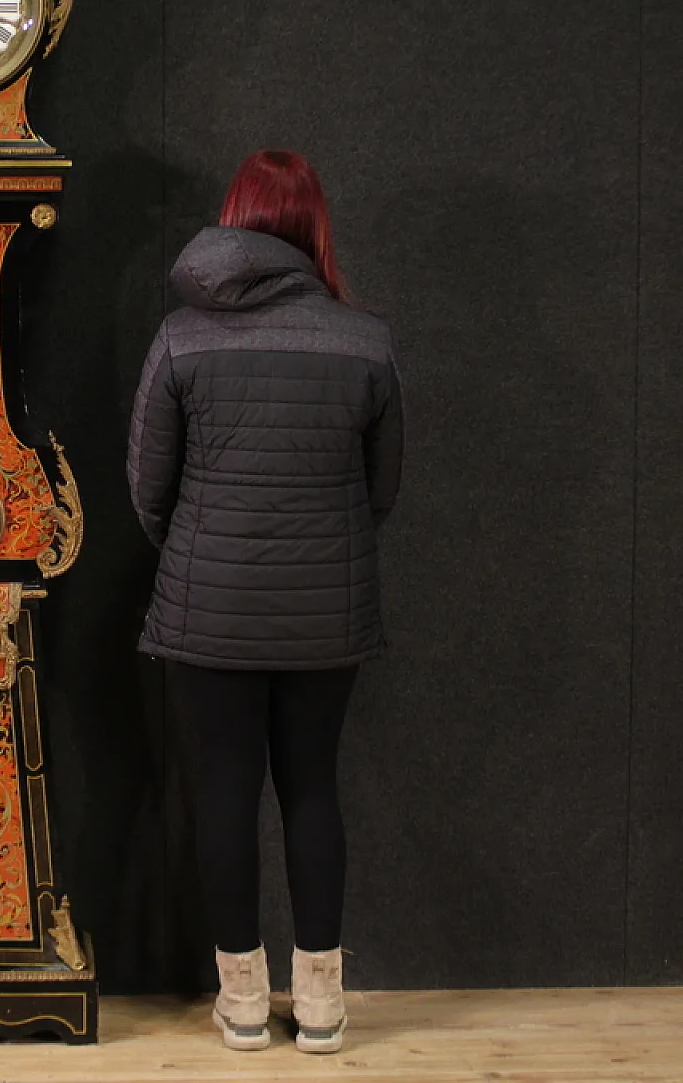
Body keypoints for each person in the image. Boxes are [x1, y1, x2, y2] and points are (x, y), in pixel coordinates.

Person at [126, 150, 403, 1054]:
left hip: (210, 606)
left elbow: (146, 486)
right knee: (313, 788)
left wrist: (203, 554)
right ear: (314, 227)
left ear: (234, 221)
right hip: (327, 608)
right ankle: (320, 1005)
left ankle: (243, 1003)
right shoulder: (365, 340)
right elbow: (382, 490)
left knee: (223, 791)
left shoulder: (181, 336)